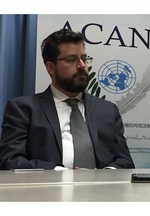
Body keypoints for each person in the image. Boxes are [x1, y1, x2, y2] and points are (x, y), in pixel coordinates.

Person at [0, 29, 135, 170]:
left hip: (102, 189)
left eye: (84, 59)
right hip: (46, 190)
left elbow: (124, 161)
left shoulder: (108, 110)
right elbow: (10, 160)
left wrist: (99, 176)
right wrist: (62, 173)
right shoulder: (24, 109)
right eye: (71, 60)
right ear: (51, 67)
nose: (82, 66)